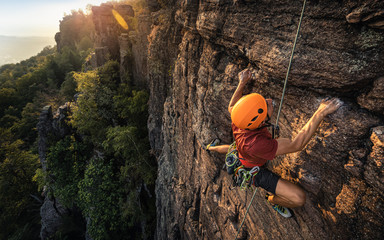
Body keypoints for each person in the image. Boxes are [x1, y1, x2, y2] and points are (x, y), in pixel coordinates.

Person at [206, 68, 343, 217]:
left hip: (241, 152)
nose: (269, 101)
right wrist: (321, 112)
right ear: (260, 121)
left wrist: (242, 82)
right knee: (299, 198)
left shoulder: (239, 117)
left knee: (229, 149)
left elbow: (231, 106)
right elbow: (297, 144)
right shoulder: (257, 144)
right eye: (266, 106)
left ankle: (210, 147)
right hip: (254, 170)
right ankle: (272, 200)